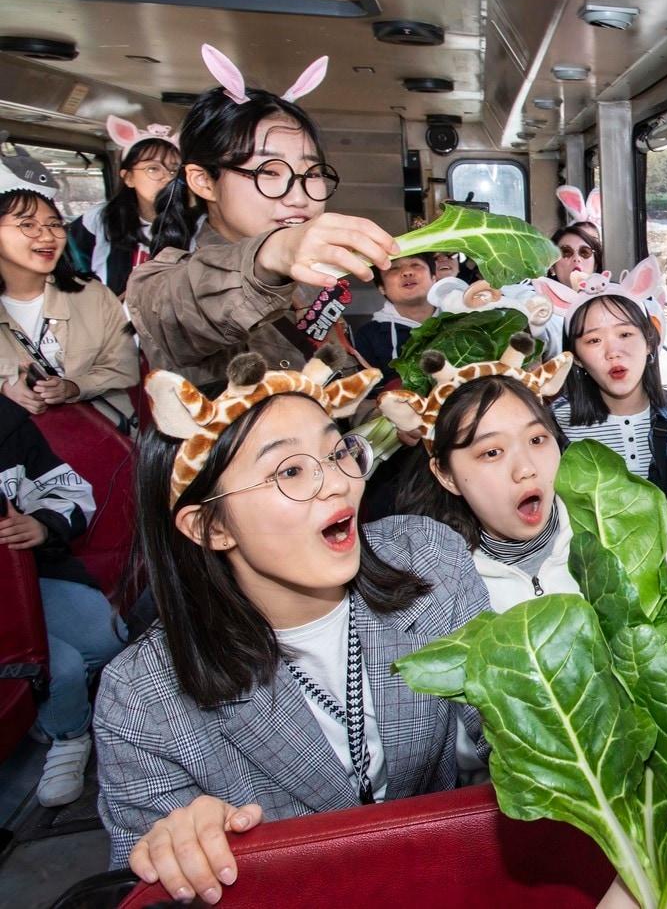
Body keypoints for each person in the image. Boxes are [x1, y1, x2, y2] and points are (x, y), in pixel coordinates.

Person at [94, 351, 492, 901]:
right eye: (290, 471)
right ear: (210, 526)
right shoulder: (141, 698)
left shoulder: (431, 562)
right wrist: (185, 850)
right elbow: (145, 883)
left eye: (337, 452)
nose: (337, 485)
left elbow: (508, 726)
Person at [126, 45, 397, 387]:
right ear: (204, 181)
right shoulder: (157, 284)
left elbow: (333, 379)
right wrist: (273, 254)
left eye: (311, 174)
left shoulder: (311, 277)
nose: (299, 197)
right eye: (268, 172)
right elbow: (188, 307)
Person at [386, 335, 667, 612]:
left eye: (537, 440)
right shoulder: (425, 584)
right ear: (446, 476)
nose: (526, 469)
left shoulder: (634, 512)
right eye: (492, 452)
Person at [0, 395, 127, 806]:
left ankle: (52, 705)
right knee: (63, 668)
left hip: (27, 579)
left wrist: (41, 526)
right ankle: (67, 734)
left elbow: (69, 491)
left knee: (110, 636)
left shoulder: (7, 421)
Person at [540, 258, 667, 535]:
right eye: (593, 340)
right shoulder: (554, 425)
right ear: (575, 358)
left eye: (625, 334)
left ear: (650, 342)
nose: (613, 351)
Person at [0, 180, 140, 426]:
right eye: (27, 224)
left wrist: (73, 387)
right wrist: (5, 387)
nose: (47, 235)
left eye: (54, 224)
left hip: (99, 435)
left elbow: (124, 367)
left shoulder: (93, 296)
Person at [67, 117, 181, 297]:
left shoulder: (196, 224)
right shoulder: (99, 219)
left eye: (174, 170)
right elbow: (71, 267)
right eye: (153, 168)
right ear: (128, 177)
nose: (167, 177)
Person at [353, 253, 435, 376]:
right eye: (394, 268)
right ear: (382, 288)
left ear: (434, 278)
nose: (407, 272)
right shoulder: (368, 336)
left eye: (415, 264)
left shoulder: (462, 318)